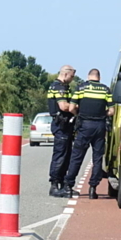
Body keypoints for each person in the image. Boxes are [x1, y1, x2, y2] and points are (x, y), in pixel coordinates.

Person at [63, 69, 114, 199]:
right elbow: (112, 111)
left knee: (77, 156)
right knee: (97, 158)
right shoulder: (105, 90)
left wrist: (78, 114)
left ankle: (69, 185)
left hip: (84, 125)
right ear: (99, 77)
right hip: (100, 126)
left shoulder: (81, 88)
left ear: (88, 76)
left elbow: (71, 108)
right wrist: (102, 114)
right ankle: (93, 188)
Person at [47, 65, 77, 197]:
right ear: (65, 74)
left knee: (66, 155)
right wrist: (77, 107)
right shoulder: (58, 87)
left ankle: (62, 185)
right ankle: (54, 185)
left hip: (65, 125)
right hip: (61, 125)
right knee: (60, 155)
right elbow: (64, 106)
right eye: (71, 76)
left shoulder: (62, 87)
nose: (72, 79)